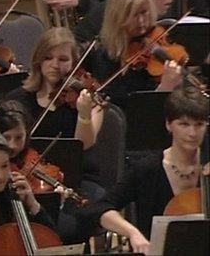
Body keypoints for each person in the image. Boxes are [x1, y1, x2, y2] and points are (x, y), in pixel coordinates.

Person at [84, 85, 209, 254]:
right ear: (168, 125)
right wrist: (133, 233)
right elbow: (101, 208)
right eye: (184, 124)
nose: (192, 133)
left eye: (199, 124)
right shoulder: (147, 169)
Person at [5, 27, 103, 150]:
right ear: (38, 60)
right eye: (48, 58)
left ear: (74, 63)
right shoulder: (16, 99)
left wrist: (84, 114)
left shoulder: (90, 101)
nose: (55, 65)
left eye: (63, 59)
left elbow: (84, 145)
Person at [84, 0, 184, 110]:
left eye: (144, 12)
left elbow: (156, 114)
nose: (141, 21)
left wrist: (165, 88)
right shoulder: (101, 55)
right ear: (117, 17)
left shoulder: (156, 56)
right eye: (134, 15)